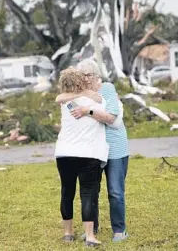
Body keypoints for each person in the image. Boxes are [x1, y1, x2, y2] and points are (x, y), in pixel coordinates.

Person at [56, 60, 130, 242]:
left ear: (97, 76)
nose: (86, 79)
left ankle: (119, 230)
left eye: (89, 75)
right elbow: (59, 98)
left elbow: (113, 119)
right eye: (83, 76)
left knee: (115, 191)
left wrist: (87, 110)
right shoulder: (76, 93)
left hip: (114, 148)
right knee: (92, 190)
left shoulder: (107, 89)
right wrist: (82, 96)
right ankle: (92, 230)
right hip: (92, 150)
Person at [54, 67, 108, 247]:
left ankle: (68, 233)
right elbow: (107, 117)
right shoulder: (95, 101)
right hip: (88, 153)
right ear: (80, 82)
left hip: (64, 153)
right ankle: (90, 236)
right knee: (87, 194)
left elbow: (60, 97)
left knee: (66, 192)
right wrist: (89, 94)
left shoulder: (65, 103)